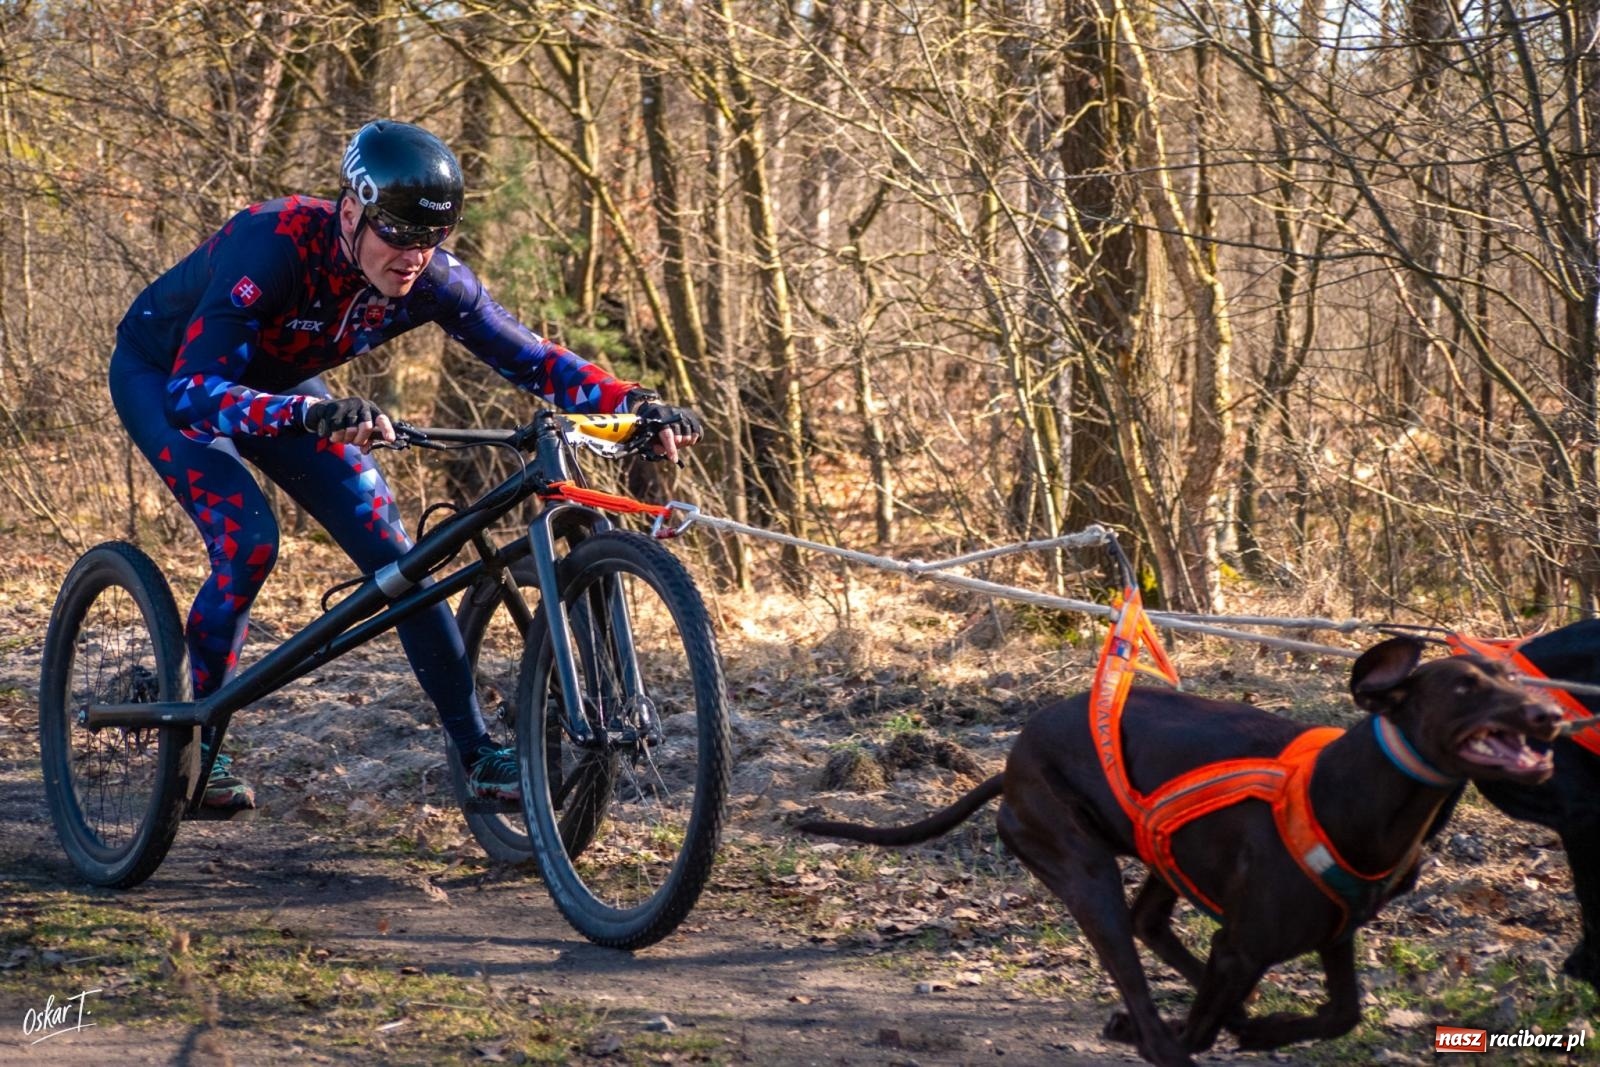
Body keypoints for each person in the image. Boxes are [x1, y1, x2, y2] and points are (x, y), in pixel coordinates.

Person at [109, 119, 701, 811]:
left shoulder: (432, 279)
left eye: (434, 237)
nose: (415, 256)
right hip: (166, 376)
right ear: (351, 212)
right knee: (250, 542)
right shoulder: (272, 244)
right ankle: (198, 743)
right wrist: (303, 413)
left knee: (399, 561)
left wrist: (634, 405)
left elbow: (535, 360)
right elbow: (192, 394)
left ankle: (478, 756)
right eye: (398, 233)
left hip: (285, 392)